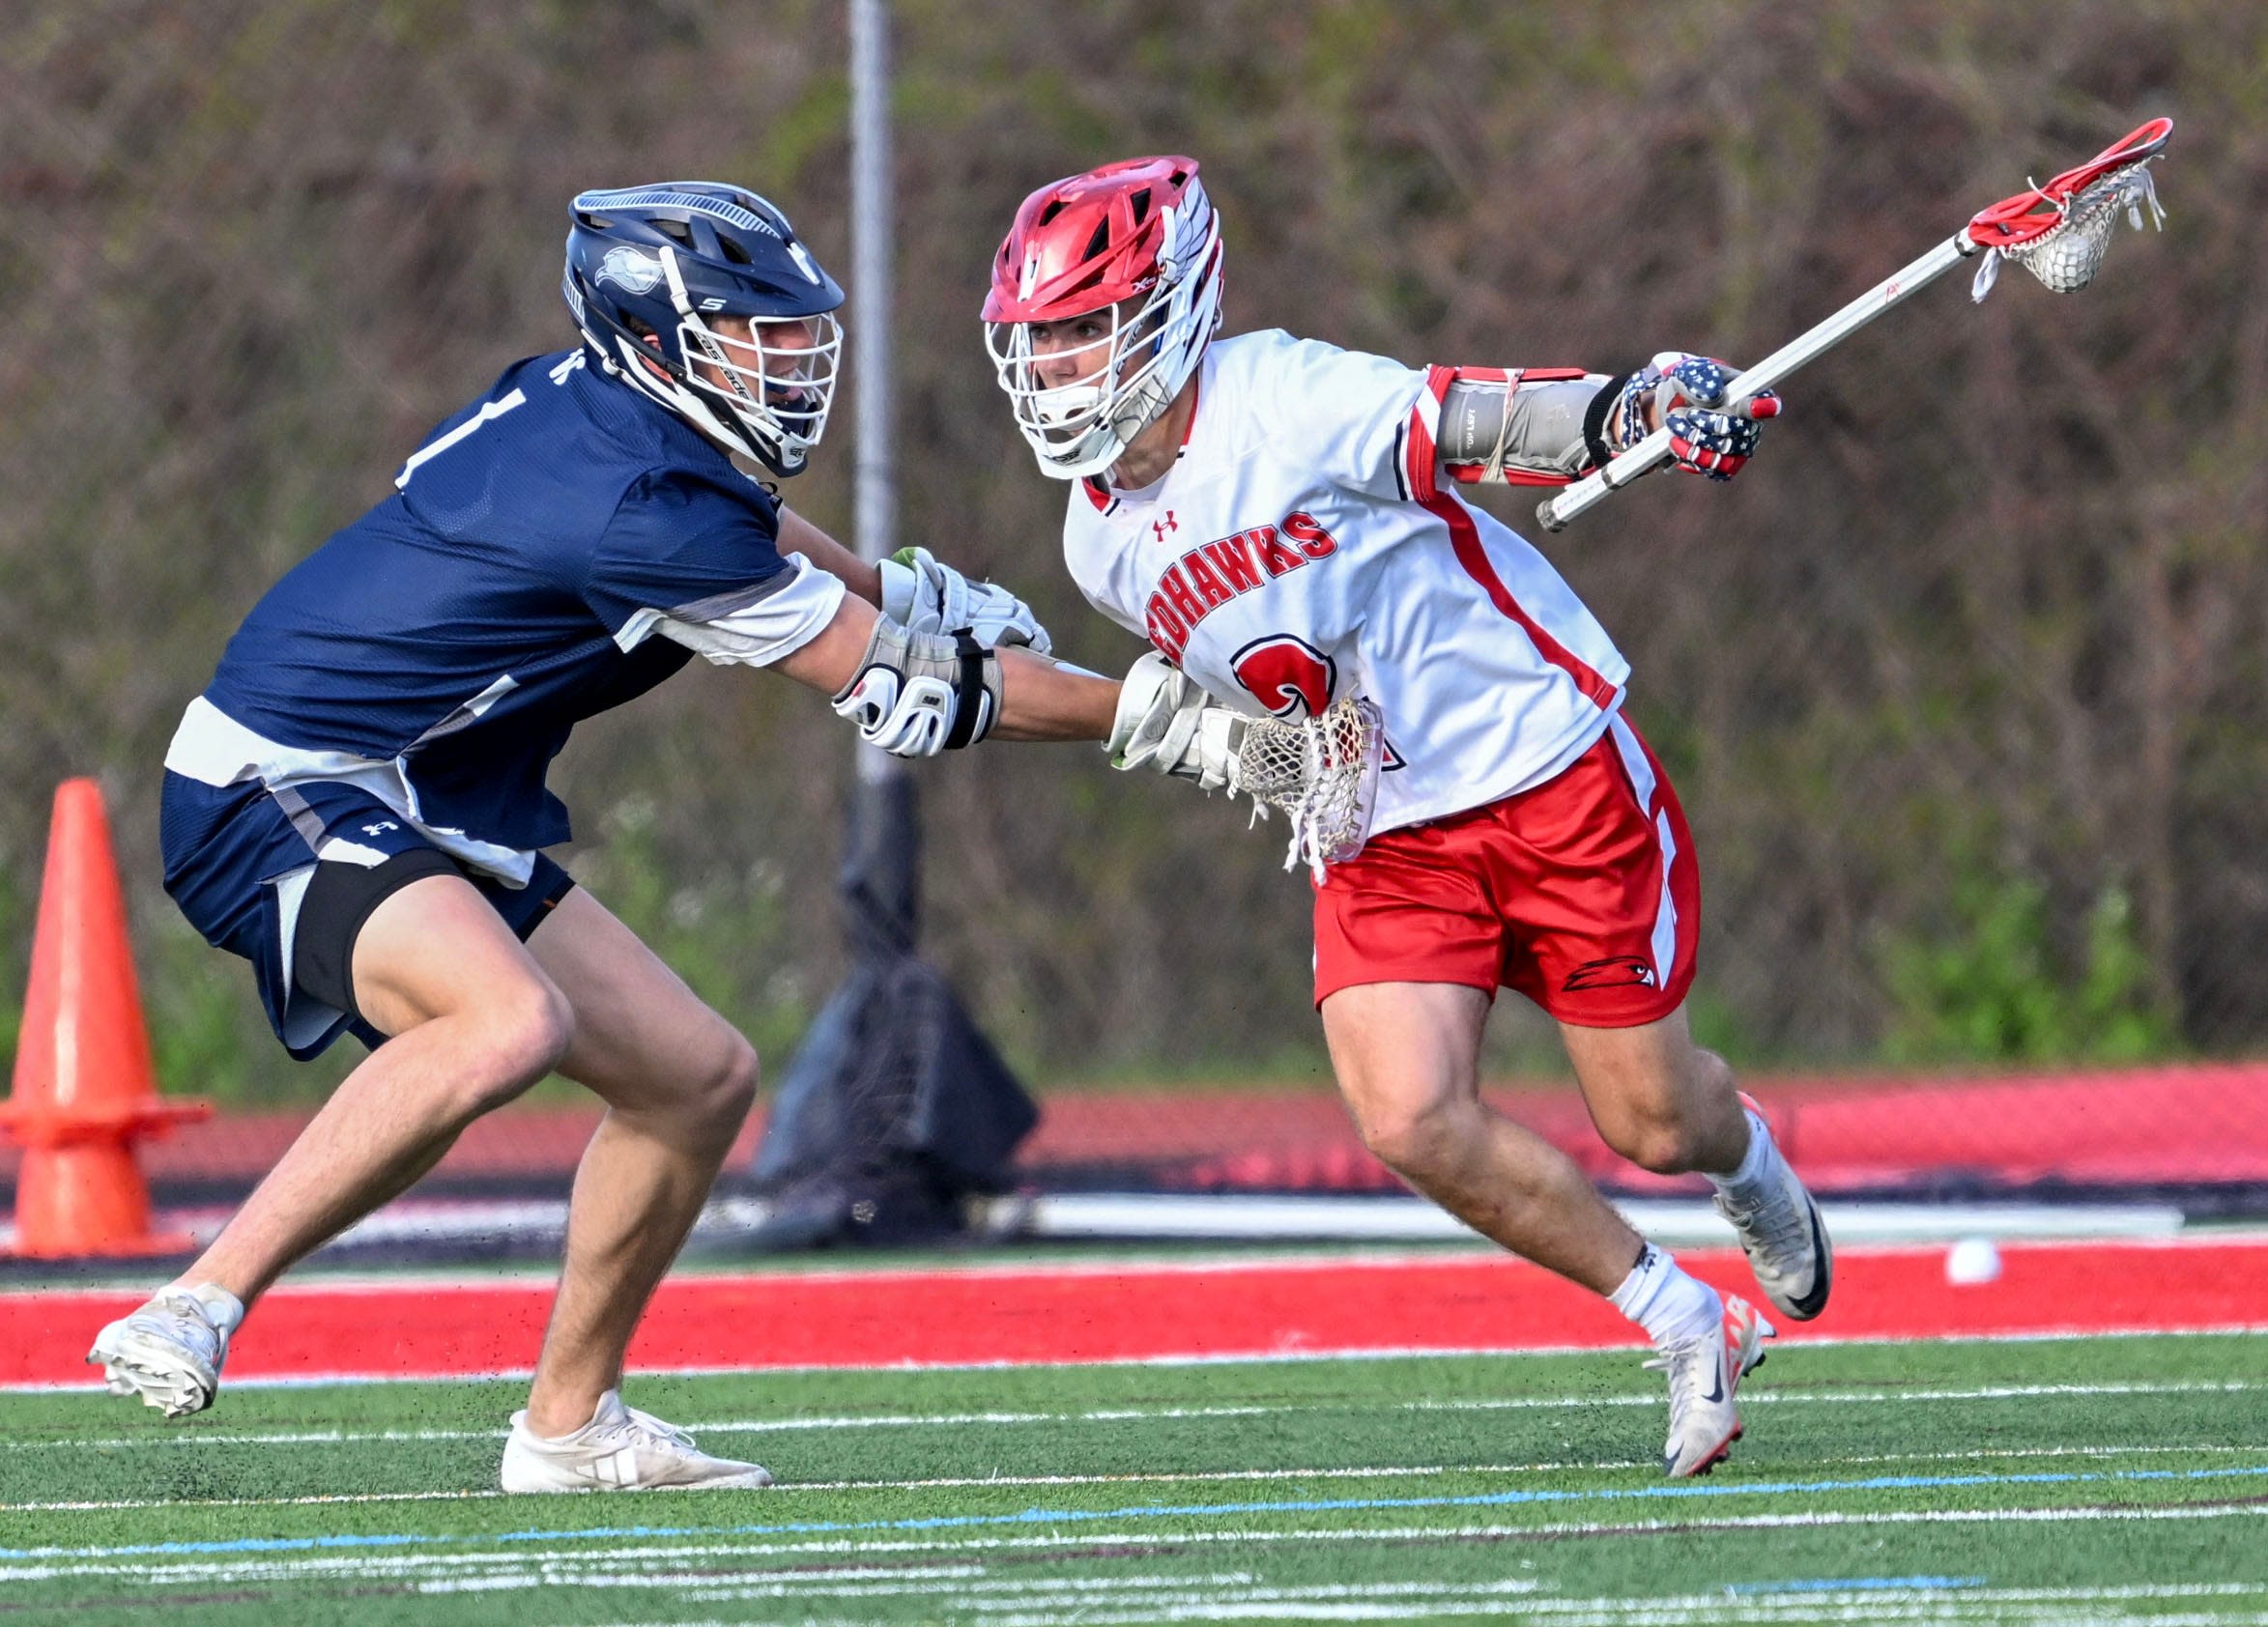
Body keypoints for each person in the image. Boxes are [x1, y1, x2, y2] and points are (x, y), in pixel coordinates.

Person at [92, 182, 1121, 1492]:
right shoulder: (637, 509)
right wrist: (1156, 714)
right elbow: (915, 694)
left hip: (427, 784)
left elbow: (744, 520)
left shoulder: (600, 411)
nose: (791, 361)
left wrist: (892, 580)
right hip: (277, 780)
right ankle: (203, 1295)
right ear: (652, 337)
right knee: (508, 1022)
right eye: (755, 334)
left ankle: (570, 1428)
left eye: (796, 334)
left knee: (695, 1078)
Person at [980, 157, 1830, 1477]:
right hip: (1382, 828)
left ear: (1174, 306)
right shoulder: (1097, 547)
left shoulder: (1287, 397)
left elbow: (1474, 419)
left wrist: (1637, 407)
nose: (1062, 364)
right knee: (1410, 1116)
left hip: (1542, 764)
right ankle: (1680, 1320)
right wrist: (1267, 748)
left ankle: (1751, 1164)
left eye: (1087, 325)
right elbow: (1264, 681)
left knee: (1655, 1125)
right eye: (1042, 338)